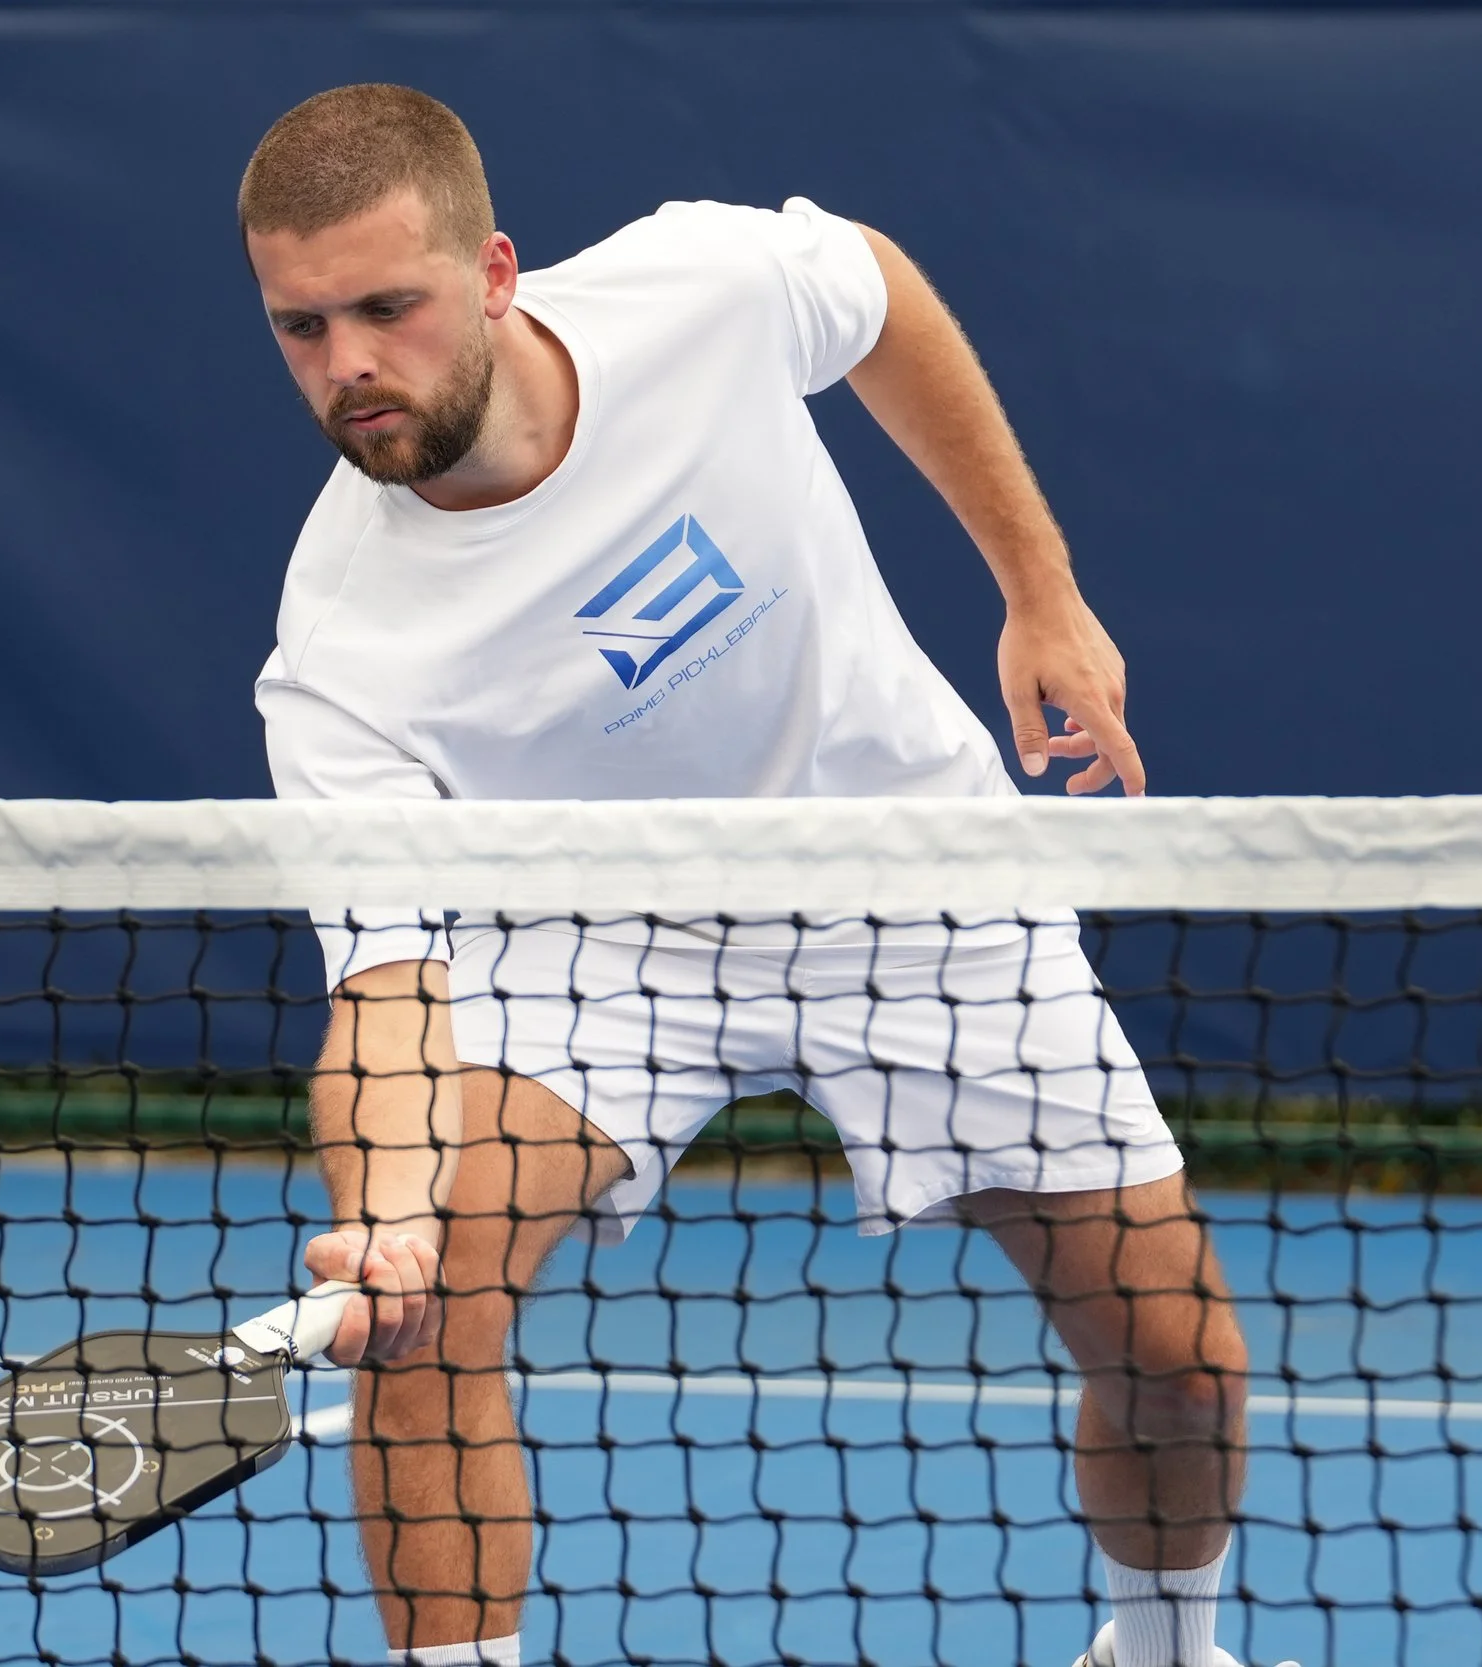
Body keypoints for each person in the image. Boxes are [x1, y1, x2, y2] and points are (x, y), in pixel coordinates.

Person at [244, 85, 1274, 1667]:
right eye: (303, 327)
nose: (349, 367)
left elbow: (876, 294)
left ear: (497, 271)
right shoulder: (340, 649)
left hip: (903, 871)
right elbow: (388, 990)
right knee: (425, 1308)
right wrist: (386, 1214)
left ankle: (1163, 1648)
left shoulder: (700, 289)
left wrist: (1039, 591)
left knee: (1177, 1355)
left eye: (388, 306)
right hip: (592, 937)